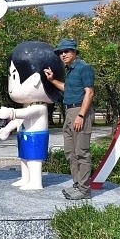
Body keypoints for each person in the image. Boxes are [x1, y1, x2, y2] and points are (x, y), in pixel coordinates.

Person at [0, 41, 64, 190]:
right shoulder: (28, 106)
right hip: (25, 135)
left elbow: (26, 114)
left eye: (13, 77)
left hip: (36, 137)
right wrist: (8, 128)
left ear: (35, 79)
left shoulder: (40, 107)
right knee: (24, 157)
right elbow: (21, 119)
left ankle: (35, 181)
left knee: (34, 159)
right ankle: (25, 178)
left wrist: (11, 112)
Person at [44, 38, 95, 200]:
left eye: (66, 51)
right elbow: (67, 89)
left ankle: (84, 189)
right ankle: (77, 184)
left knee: (82, 152)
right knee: (70, 152)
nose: (63, 54)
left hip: (80, 111)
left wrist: (81, 115)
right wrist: (52, 80)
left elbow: (89, 92)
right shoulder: (71, 70)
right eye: (60, 52)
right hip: (69, 111)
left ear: (74, 52)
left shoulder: (84, 67)